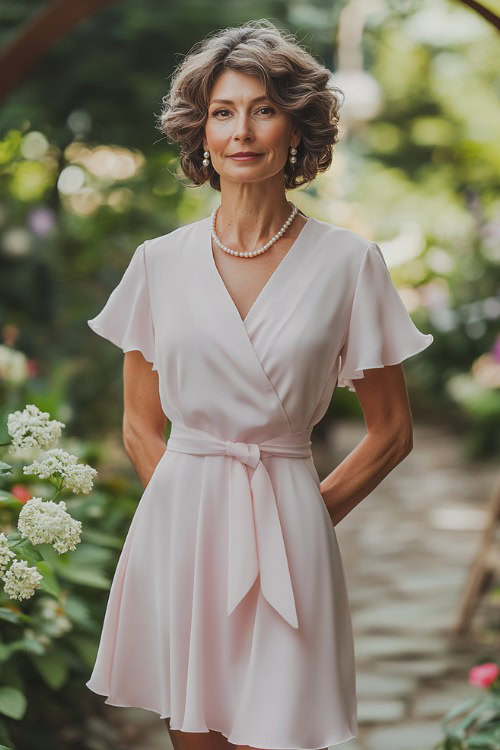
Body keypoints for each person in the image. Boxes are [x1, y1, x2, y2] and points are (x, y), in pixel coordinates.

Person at [85, 18, 433, 750]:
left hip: (288, 536)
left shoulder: (349, 264)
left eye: (264, 109)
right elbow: (140, 426)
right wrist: (189, 520)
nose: (242, 130)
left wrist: (301, 518)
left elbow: (391, 432)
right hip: (185, 538)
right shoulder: (158, 263)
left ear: (296, 129)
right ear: (201, 135)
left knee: (284, 736)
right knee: (197, 739)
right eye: (223, 112)